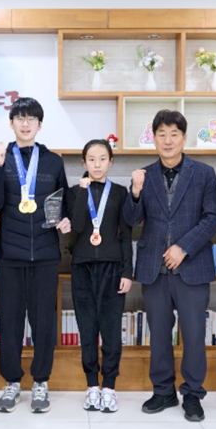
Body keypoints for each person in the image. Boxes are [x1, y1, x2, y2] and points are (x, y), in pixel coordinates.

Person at [122, 109, 216, 422]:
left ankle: (192, 393)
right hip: (154, 269)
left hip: (192, 267)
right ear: (153, 138)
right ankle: (163, 391)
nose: (168, 140)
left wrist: (183, 248)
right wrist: (134, 192)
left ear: (184, 138)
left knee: (193, 335)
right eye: (161, 134)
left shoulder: (204, 173)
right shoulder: (144, 175)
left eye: (174, 134)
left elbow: (212, 218)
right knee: (159, 335)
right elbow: (131, 220)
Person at [0, 97, 71, 413]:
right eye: (19, 118)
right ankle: (11, 382)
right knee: (10, 323)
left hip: (46, 254)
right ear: (11, 123)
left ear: (39, 125)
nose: (25, 123)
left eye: (31, 118)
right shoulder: (0, 158)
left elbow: (63, 201)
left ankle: (40, 383)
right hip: (10, 255)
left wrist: (65, 218)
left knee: (44, 323)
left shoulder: (53, 161)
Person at [66, 139, 133, 413]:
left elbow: (126, 234)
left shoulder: (119, 192)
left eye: (102, 159)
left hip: (112, 267)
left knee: (111, 329)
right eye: (91, 159)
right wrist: (82, 192)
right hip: (82, 267)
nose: (97, 164)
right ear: (84, 162)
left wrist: (127, 272)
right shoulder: (74, 192)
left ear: (110, 162)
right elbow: (78, 225)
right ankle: (92, 385)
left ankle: (110, 387)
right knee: (87, 328)